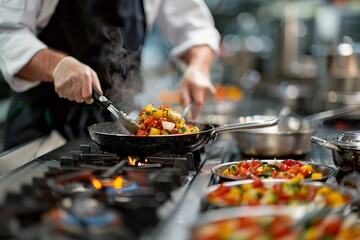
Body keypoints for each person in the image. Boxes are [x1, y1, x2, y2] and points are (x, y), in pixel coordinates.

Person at [0, 0, 220, 150]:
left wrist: (198, 67)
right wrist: (58, 65)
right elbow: (7, 31)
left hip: (119, 129)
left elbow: (196, 28)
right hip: (44, 130)